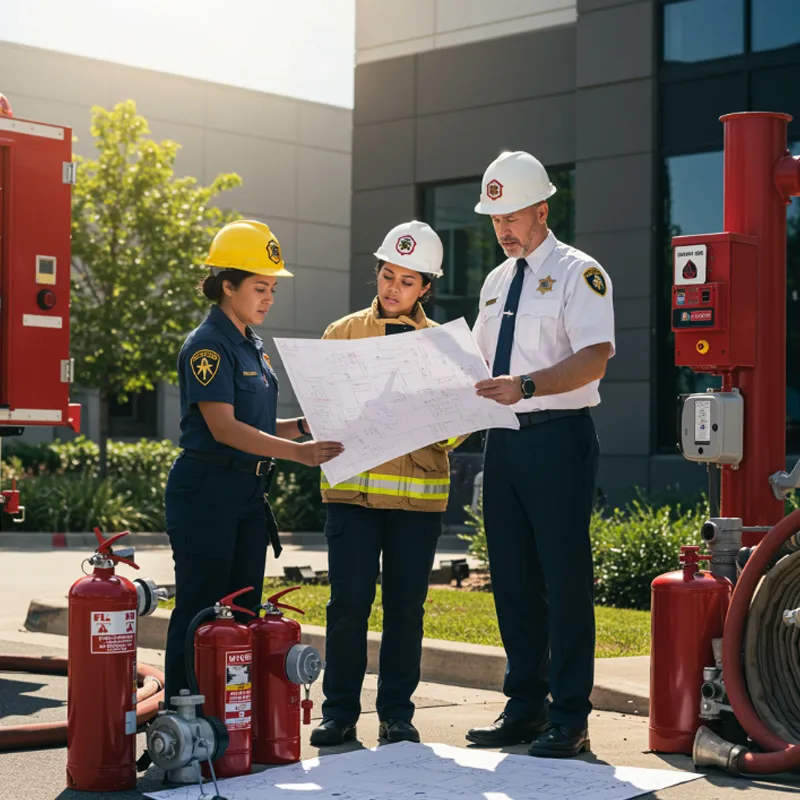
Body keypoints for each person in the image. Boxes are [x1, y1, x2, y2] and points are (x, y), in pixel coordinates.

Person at [465, 151, 615, 758]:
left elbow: (594, 355)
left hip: (557, 436)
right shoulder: (497, 281)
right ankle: (524, 707)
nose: (502, 229)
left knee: (563, 579)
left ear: (542, 210)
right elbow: (477, 365)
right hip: (502, 440)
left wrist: (527, 387)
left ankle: (570, 716)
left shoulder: (581, 272)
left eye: (512, 216)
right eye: (494, 218)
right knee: (514, 582)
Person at [163, 219, 344, 704]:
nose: (268, 298)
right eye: (259, 287)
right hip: (207, 491)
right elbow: (224, 428)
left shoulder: (250, 344)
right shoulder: (208, 345)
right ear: (228, 286)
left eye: (272, 289)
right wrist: (299, 454)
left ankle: (229, 719)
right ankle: (182, 717)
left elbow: (258, 424)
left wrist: (303, 425)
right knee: (201, 608)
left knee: (240, 612)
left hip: (245, 493)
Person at [308, 220, 462, 747]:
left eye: (407, 280)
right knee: (347, 607)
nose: (393, 288)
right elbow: (319, 410)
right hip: (351, 501)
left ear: (425, 289)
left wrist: (423, 408)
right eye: (387, 275)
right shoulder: (340, 333)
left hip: (416, 506)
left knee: (404, 611)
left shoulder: (444, 347)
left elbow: (459, 430)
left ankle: (397, 714)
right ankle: (339, 714)